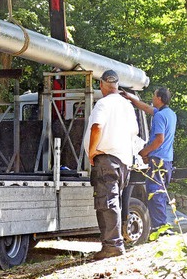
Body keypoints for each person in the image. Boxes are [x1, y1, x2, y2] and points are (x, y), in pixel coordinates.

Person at [83, 69, 139, 260]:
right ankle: (113, 243)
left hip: (106, 158)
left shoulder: (103, 103)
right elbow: (134, 132)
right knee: (113, 201)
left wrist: (91, 151)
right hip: (123, 160)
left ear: (101, 85)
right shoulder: (127, 105)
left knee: (106, 202)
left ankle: (112, 246)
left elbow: (97, 126)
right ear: (117, 85)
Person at [122, 87, 177, 232]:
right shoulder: (170, 114)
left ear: (159, 98)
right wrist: (131, 98)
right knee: (161, 191)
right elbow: (146, 108)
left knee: (155, 192)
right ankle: (162, 224)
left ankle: (159, 227)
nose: (152, 98)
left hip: (157, 159)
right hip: (167, 159)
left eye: (154, 96)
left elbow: (159, 139)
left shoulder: (159, 116)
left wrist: (144, 152)